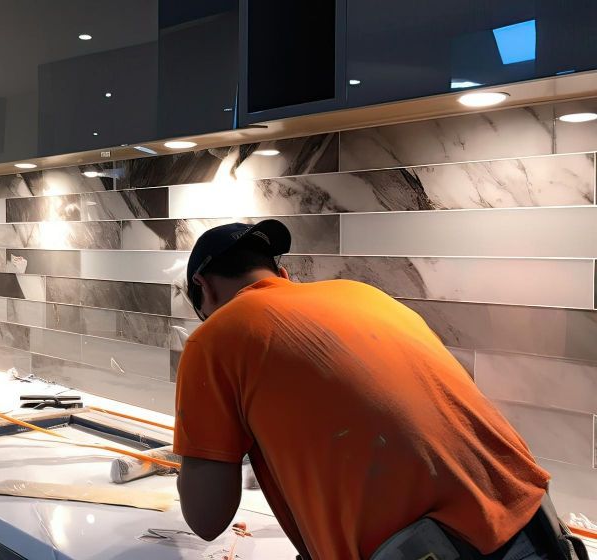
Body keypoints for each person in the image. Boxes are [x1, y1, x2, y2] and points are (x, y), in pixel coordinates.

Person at [173, 219, 585, 559]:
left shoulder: (214, 339)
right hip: (536, 523)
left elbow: (206, 518)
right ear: (281, 274)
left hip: (441, 549)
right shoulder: (359, 293)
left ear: (204, 288)